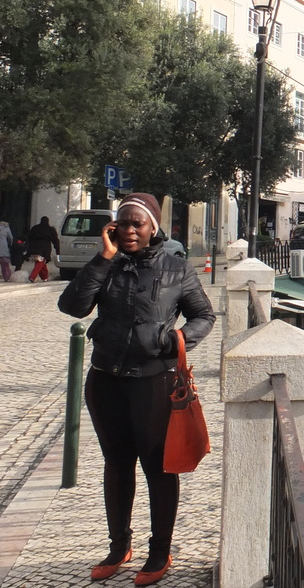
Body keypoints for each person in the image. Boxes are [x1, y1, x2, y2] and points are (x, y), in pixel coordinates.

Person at [58, 193, 215, 586]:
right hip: (106, 379)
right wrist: (102, 258)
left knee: (159, 469)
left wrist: (175, 339)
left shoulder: (177, 269)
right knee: (116, 465)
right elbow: (73, 306)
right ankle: (118, 546)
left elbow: (204, 315)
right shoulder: (108, 265)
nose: (128, 230)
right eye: (121, 223)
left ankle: (160, 551)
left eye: (136, 224)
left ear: (153, 228)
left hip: (154, 381)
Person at [27, 214, 59, 282]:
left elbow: (29, 237)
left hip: (34, 247)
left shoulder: (35, 228)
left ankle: (44, 277)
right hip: (44, 248)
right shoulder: (50, 229)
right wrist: (57, 249)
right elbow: (55, 240)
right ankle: (32, 276)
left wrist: (28, 248)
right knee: (41, 262)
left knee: (41, 262)